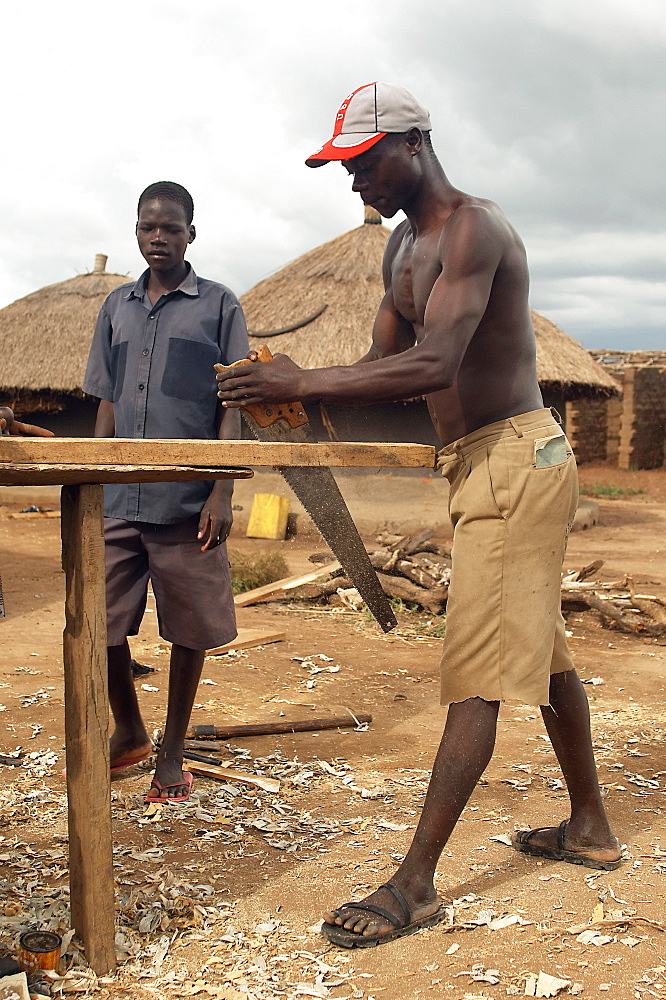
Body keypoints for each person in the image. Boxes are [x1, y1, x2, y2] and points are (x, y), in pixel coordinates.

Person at [216, 83, 621, 945]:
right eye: (343, 167)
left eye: (361, 162)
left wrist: (303, 383)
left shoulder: (476, 227)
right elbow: (381, 364)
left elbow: (439, 362)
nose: (352, 181)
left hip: (516, 459)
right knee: (541, 657)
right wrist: (293, 389)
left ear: (412, 145)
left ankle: (416, 884)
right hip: (475, 465)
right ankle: (589, 827)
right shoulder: (402, 246)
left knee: (475, 674)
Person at [83, 181, 249, 804]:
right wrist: (92, 481)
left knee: (189, 630)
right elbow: (105, 400)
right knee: (98, 622)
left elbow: (233, 405)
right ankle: (129, 728)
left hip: (186, 504)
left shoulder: (219, 306)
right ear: (136, 231)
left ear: (190, 234)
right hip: (120, 499)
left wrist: (222, 492)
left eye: (172, 228)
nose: (160, 237)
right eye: (149, 227)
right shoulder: (116, 308)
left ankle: (173, 748)